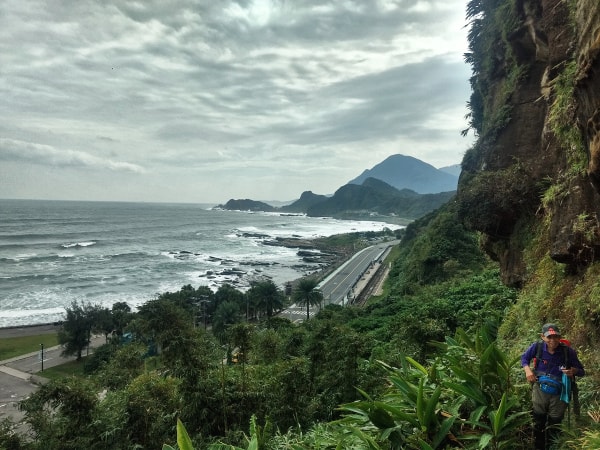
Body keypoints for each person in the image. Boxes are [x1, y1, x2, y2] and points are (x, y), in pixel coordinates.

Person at [521, 323, 585, 450]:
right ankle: (538, 446)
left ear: (560, 337)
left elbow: (582, 371)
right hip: (540, 390)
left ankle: (553, 446)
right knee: (538, 421)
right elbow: (524, 358)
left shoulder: (567, 352)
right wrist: (527, 370)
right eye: (549, 337)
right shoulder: (537, 347)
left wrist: (574, 371)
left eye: (556, 337)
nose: (553, 340)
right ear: (542, 337)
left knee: (555, 424)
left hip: (559, 394)